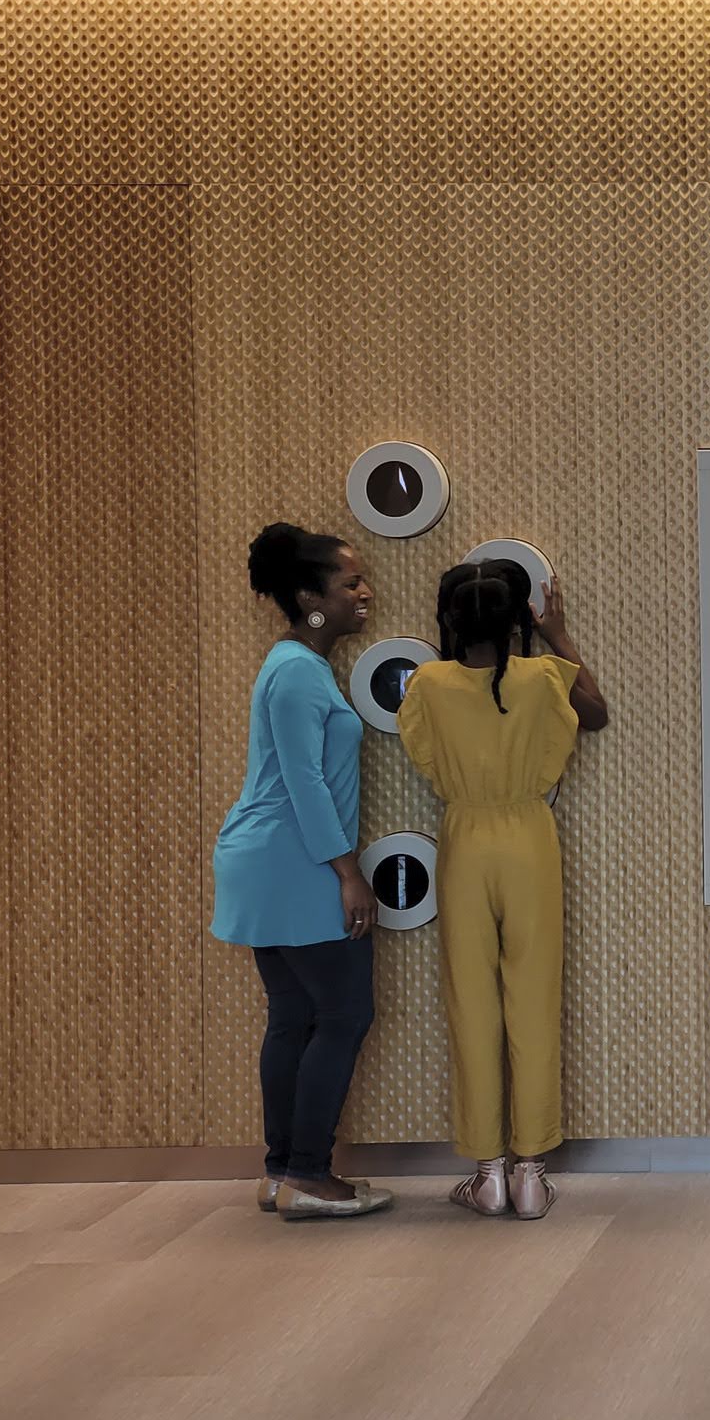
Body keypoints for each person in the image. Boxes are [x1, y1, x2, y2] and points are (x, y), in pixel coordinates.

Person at [397, 559, 608, 1220]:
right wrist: (557, 636)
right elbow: (596, 714)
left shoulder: (429, 683)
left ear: (451, 620)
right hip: (529, 839)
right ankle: (531, 1175)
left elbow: (422, 752)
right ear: (518, 621)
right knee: (534, 999)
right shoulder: (542, 676)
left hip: (464, 839)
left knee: (472, 1003)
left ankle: (487, 1174)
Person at [212, 523, 394, 1222]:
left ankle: (283, 1171)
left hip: (276, 860)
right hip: (294, 861)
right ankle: (310, 1175)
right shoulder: (293, 670)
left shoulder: (300, 666)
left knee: (293, 1016)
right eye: (351, 583)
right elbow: (304, 780)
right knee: (345, 1013)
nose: (364, 592)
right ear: (310, 598)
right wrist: (348, 873)